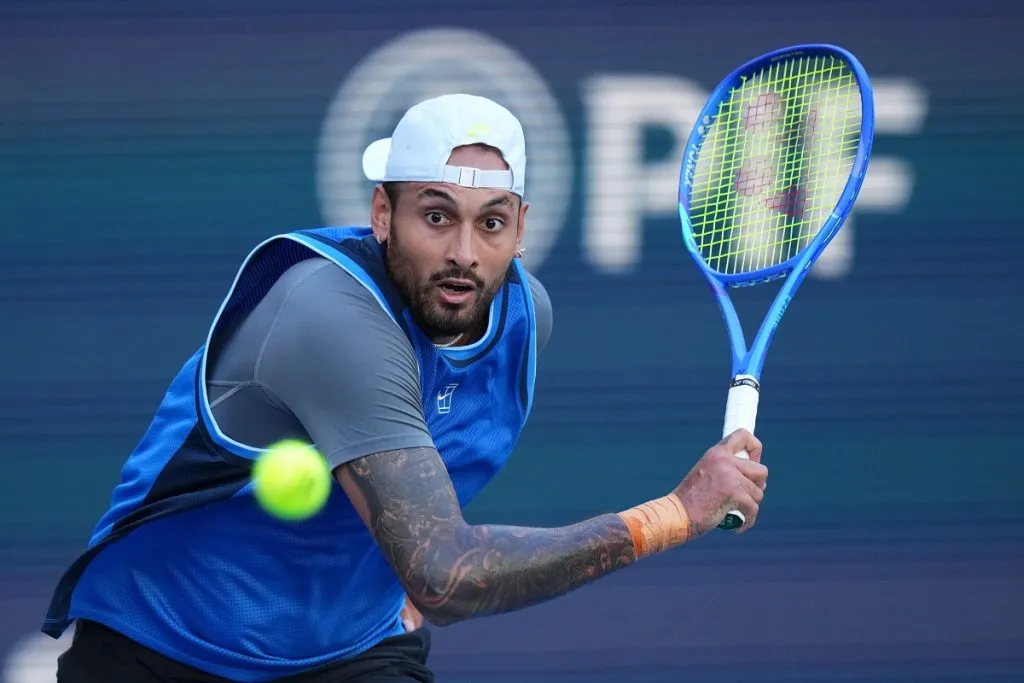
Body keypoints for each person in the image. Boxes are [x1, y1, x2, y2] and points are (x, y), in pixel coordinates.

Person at [42, 93, 769, 683]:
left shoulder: (524, 320)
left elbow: (426, 512)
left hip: (346, 652)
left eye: (491, 223)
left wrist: (395, 578)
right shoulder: (328, 316)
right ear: (382, 215)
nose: (463, 252)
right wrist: (675, 512)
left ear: (521, 231)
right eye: (435, 215)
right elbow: (446, 577)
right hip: (164, 649)